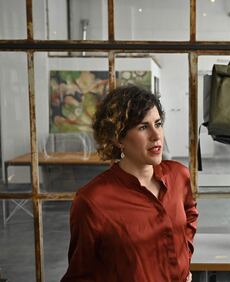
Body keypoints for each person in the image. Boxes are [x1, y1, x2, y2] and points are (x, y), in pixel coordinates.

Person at [61, 85, 199, 282]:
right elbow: (81, 275)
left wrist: (183, 260)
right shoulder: (93, 201)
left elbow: (190, 214)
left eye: (158, 124)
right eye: (143, 127)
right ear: (118, 138)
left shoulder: (179, 175)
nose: (156, 135)